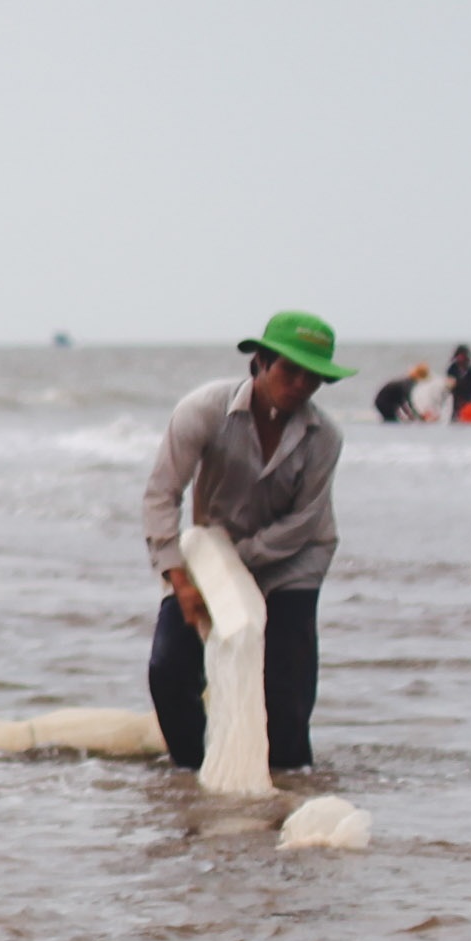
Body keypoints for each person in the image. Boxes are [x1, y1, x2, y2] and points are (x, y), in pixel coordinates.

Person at [143, 311, 347, 773]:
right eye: (289, 370)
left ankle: (289, 783)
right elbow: (162, 494)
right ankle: (194, 772)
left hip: (293, 560)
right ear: (260, 362)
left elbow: (304, 521)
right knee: (169, 669)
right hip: (208, 556)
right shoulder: (203, 410)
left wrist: (241, 566)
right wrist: (181, 578)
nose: (299, 384)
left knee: (285, 689)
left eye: (312, 376)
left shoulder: (324, 438)